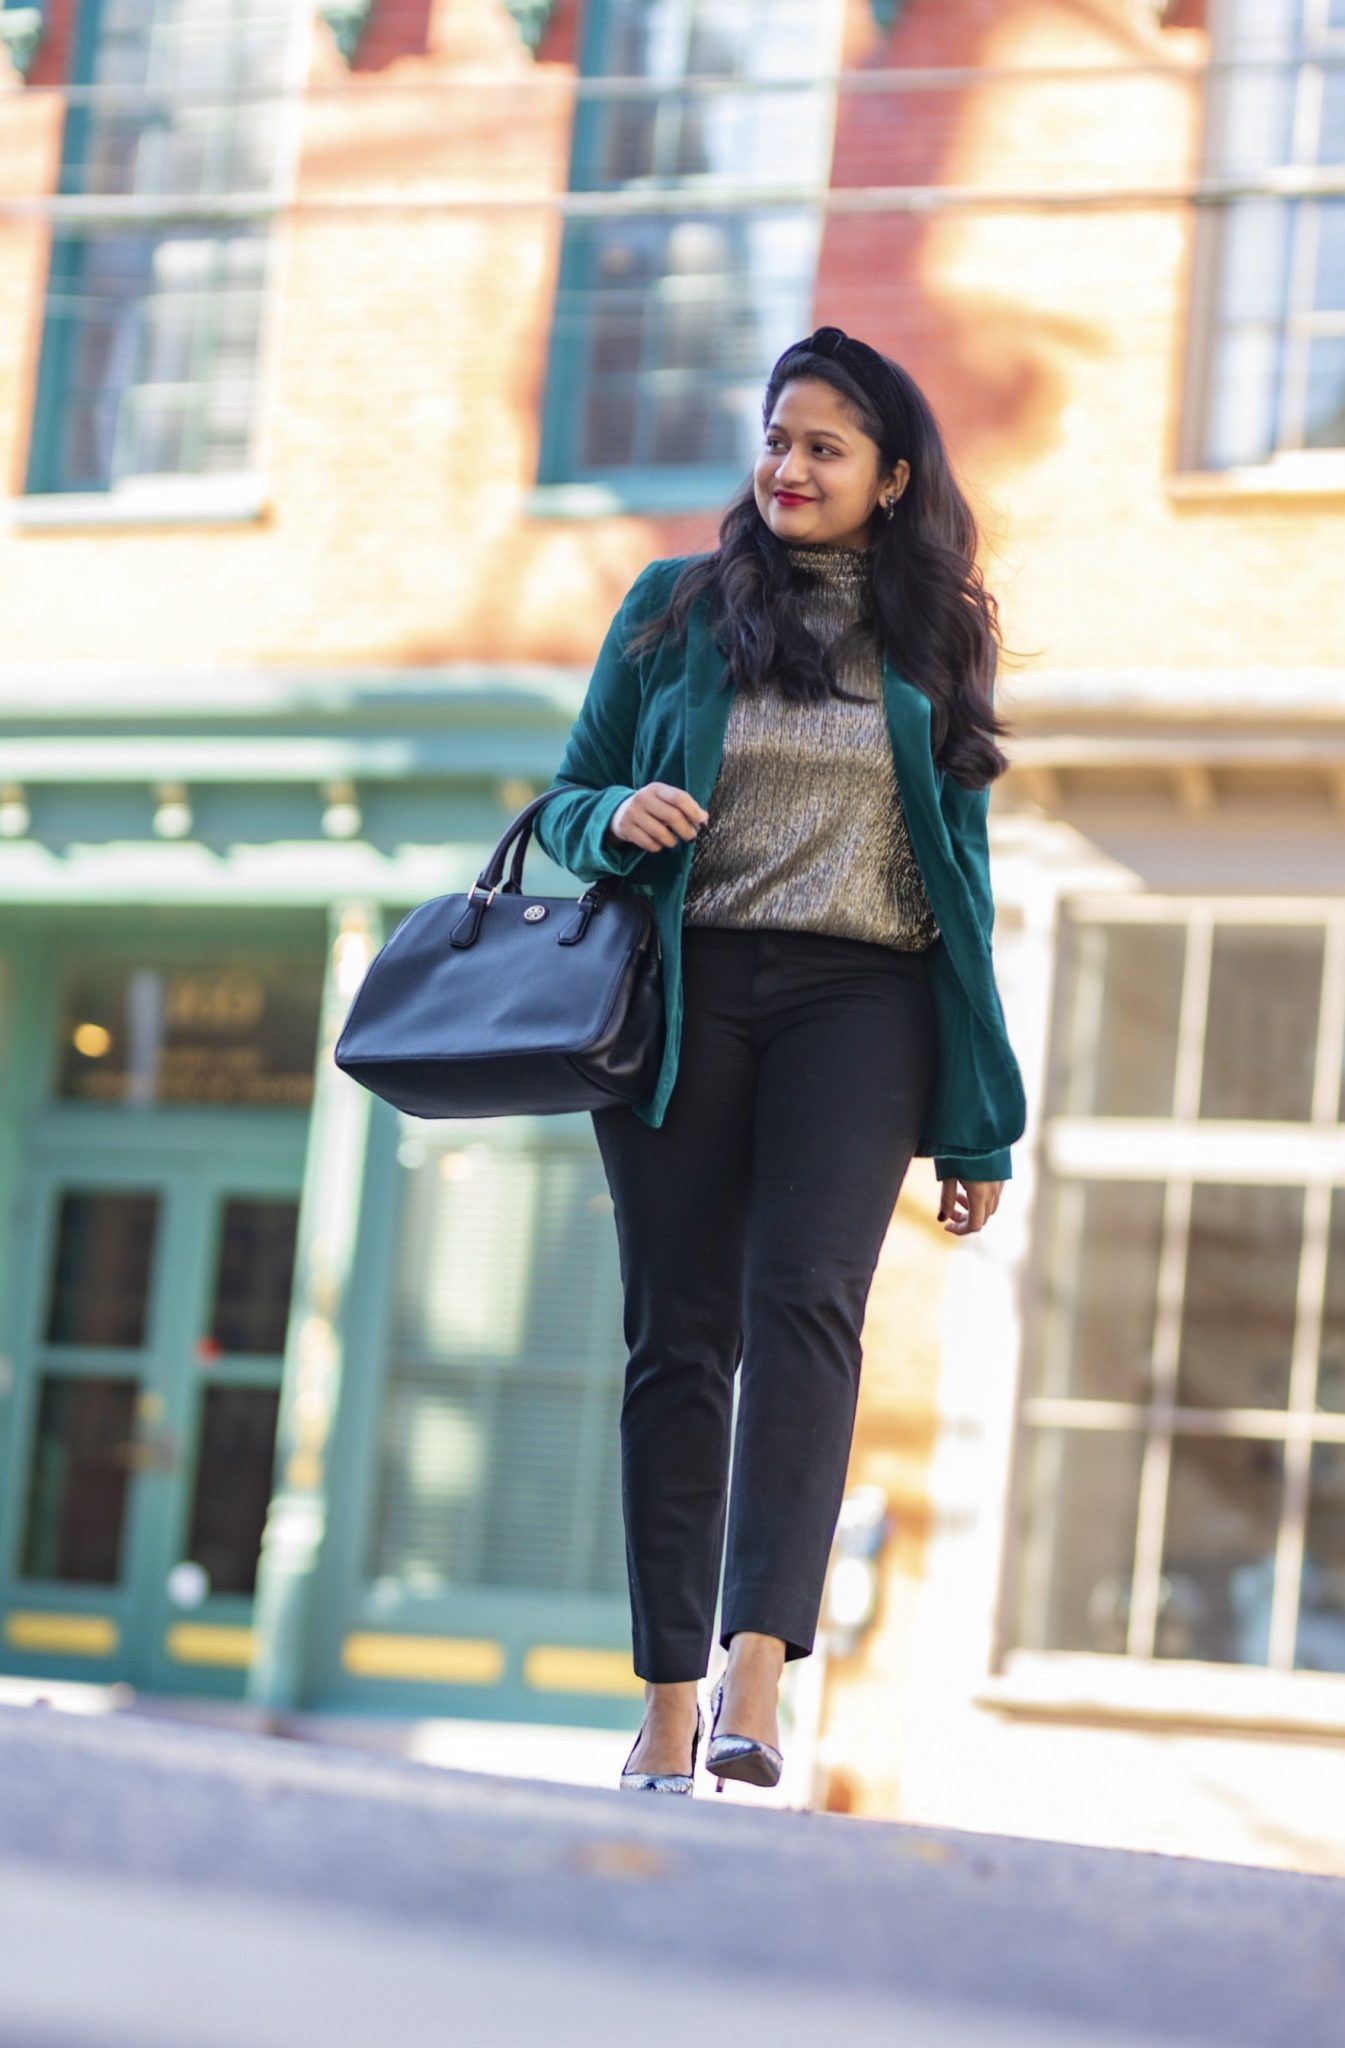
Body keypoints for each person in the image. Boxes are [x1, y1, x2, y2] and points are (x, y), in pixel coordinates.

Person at [532, 325, 1026, 1796]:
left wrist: (978, 1123)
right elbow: (566, 797)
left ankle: (760, 1681)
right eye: (775, 438)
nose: (787, 467)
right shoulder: (674, 608)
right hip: (684, 993)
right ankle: (669, 1699)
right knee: (678, 1341)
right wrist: (613, 819)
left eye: (823, 446)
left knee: (809, 1307)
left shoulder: (936, 634)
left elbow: (967, 878)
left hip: (860, 1001)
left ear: (887, 479)